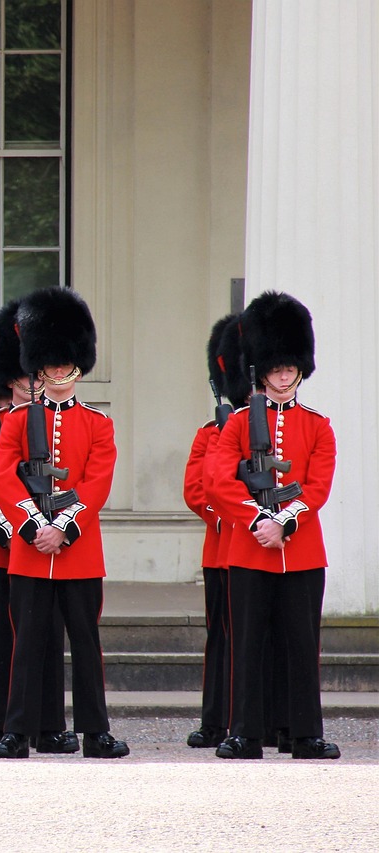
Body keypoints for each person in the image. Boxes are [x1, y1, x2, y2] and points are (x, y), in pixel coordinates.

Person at [0, 287, 128, 759]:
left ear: (78, 365)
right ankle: (18, 730)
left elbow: (97, 483)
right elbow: (3, 477)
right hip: (31, 551)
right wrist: (32, 527)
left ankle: (95, 731)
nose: (59, 372)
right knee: (26, 644)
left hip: (79, 550)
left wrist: (64, 527)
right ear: (39, 366)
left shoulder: (98, 423)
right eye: (50, 364)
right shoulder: (17, 421)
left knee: (86, 646)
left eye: (66, 364)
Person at [206, 291, 338, 760]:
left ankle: (304, 733)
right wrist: (258, 520)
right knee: (247, 645)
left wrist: (283, 520)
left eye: (289, 368)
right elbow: (219, 482)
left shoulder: (318, 426)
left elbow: (316, 488)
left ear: (301, 369)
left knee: (303, 647)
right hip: (250, 548)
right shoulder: (239, 424)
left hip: (301, 551)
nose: (283, 376)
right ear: (260, 370)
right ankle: (244, 732)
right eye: (275, 368)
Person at [0, 302, 75, 757]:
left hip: (45, 550)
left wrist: (50, 527)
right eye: (27, 377)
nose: (34, 384)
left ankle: (47, 722)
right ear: (10, 378)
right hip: (1, 548)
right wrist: (17, 530)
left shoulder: (54, 426)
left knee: (46, 639)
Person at [182, 314, 238, 748]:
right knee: (219, 637)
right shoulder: (211, 432)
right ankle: (216, 720)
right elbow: (197, 489)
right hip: (223, 549)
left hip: (270, 548)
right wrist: (233, 518)